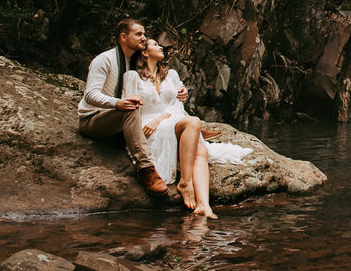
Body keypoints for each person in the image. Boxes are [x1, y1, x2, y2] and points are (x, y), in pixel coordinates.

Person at [123, 39, 250, 219]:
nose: (161, 47)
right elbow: (131, 105)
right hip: (147, 127)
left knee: (199, 146)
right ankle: (185, 183)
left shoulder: (172, 75)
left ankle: (204, 205)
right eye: (155, 45)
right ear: (144, 52)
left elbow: (177, 104)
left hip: (170, 120)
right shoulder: (132, 76)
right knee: (193, 124)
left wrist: (161, 118)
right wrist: (154, 121)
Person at [77, 18, 184, 196]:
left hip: (122, 118)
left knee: (137, 107)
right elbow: (90, 95)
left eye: (144, 34)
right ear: (123, 37)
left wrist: (180, 91)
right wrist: (117, 103)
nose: (144, 38)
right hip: (94, 119)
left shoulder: (135, 61)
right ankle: (146, 169)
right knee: (131, 107)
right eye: (138, 34)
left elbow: (156, 86)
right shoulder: (104, 60)